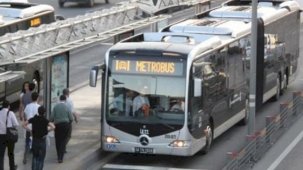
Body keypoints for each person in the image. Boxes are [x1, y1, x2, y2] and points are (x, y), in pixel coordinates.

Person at [23, 106, 55, 170]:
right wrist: (47, 131)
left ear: (38, 111)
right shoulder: (45, 120)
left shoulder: (33, 119)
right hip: (42, 141)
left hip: (35, 140)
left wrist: (30, 130)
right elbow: (53, 127)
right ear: (44, 113)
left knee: (35, 156)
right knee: (41, 158)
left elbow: (23, 125)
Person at [50, 95, 73, 163]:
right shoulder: (67, 107)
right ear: (65, 100)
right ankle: (61, 157)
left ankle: (58, 155)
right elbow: (71, 118)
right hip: (65, 125)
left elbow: (51, 118)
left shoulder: (55, 107)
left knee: (58, 140)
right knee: (63, 141)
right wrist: (69, 124)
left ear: (59, 99)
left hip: (58, 126)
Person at [0, 100, 19, 170]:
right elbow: (16, 124)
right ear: (8, 106)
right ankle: (12, 167)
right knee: (10, 153)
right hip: (10, 136)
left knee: (1, 155)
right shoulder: (10, 113)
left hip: (1, 136)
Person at [23, 92, 40, 164]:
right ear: (38, 98)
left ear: (31, 98)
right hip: (36, 128)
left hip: (28, 127)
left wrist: (27, 122)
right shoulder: (39, 107)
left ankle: (25, 157)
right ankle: (35, 157)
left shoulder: (27, 106)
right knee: (36, 142)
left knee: (27, 142)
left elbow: (25, 116)